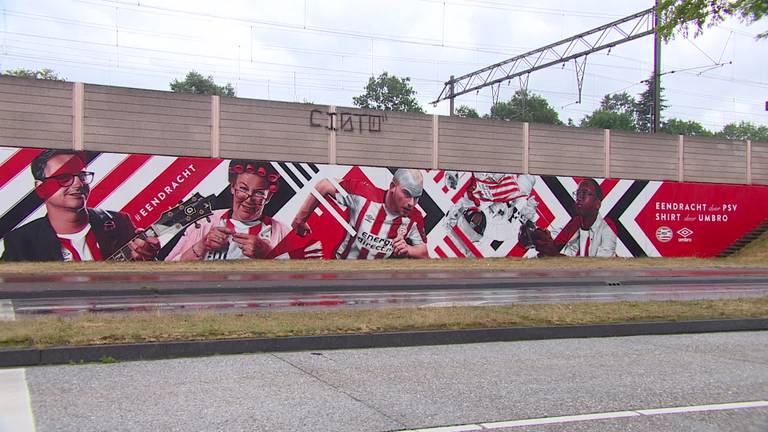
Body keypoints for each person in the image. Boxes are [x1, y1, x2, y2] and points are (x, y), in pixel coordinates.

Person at [1, 149, 159, 261]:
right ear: (41, 188)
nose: (78, 183)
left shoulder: (119, 222)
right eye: (64, 177)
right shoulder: (21, 241)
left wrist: (148, 260)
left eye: (82, 175)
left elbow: (143, 287)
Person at [165, 159, 289, 261]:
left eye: (259, 193)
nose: (248, 199)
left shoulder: (282, 231)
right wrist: (202, 245)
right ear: (232, 187)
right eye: (243, 189)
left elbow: (298, 273)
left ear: (269, 196)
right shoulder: (204, 223)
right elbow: (168, 268)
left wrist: (268, 254)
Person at [291, 169, 428, 259]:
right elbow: (325, 185)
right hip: (343, 269)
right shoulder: (363, 195)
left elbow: (424, 253)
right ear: (392, 187)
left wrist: (408, 249)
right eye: (407, 194)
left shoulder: (415, 217)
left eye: (416, 198)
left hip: (375, 280)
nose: (412, 203)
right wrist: (300, 219)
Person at [522, 178, 617, 257]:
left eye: (584, 193)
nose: (579, 198)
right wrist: (537, 235)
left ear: (597, 204)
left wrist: (554, 255)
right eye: (578, 193)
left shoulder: (607, 227)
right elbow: (555, 242)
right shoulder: (576, 223)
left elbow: (598, 266)